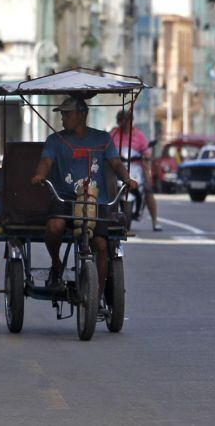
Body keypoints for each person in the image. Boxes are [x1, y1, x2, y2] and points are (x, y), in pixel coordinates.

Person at [29, 96, 137, 303]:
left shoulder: (103, 139)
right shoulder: (55, 140)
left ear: (82, 115)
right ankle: (56, 262)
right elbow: (45, 161)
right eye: (62, 115)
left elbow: (115, 163)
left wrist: (127, 178)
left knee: (102, 245)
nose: (63, 119)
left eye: (67, 114)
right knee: (54, 227)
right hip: (64, 198)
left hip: (94, 200)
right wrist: (40, 175)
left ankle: (97, 295)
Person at [110, 110, 161, 231]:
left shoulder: (139, 135)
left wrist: (146, 156)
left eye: (128, 120)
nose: (125, 123)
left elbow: (146, 151)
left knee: (148, 190)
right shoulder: (113, 134)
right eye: (123, 120)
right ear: (118, 121)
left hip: (136, 168)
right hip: (118, 168)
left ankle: (155, 221)